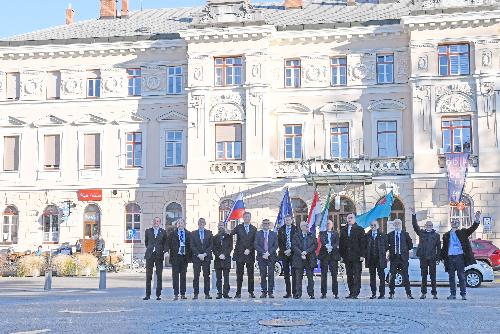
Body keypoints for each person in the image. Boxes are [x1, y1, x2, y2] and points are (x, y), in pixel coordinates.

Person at [441, 211, 481, 300]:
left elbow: (472, 228)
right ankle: (453, 294)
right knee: (451, 277)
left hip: (459, 257)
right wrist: (441, 258)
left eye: (456, 222)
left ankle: (463, 294)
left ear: (458, 224)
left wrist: (477, 219)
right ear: (451, 223)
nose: (454, 223)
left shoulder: (463, 232)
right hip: (450, 257)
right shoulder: (446, 235)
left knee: (461, 276)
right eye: (453, 222)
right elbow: (444, 248)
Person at [410, 208, 441, 299]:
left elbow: (438, 248)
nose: (429, 226)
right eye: (427, 225)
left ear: (432, 226)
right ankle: (423, 293)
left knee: (433, 276)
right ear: (425, 226)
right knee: (423, 276)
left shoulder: (436, 235)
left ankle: (434, 293)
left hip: (432, 258)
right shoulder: (421, 233)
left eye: (430, 225)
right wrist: (413, 215)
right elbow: (415, 226)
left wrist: (438, 258)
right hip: (423, 258)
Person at [229, 211, 257, 298]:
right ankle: (238, 292)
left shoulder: (254, 228)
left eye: (248, 217)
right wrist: (226, 230)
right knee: (239, 275)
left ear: (250, 218)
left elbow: (255, 241)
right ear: (243, 218)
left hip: (250, 254)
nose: (247, 218)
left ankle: (251, 292)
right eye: (245, 217)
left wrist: (250, 249)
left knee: (251, 275)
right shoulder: (239, 227)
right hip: (240, 254)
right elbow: (231, 233)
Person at [339, 213, 365, 299]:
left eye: (351, 218)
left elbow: (362, 244)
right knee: (349, 275)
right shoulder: (343, 230)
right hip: (347, 257)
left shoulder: (360, 229)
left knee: (357, 275)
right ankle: (351, 292)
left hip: (357, 257)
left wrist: (362, 255)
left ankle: (356, 293)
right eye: (348, 218)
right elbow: (341, 244)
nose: (350, 219)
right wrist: (341, 256)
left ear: (354, 219)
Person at [387, 219, 414, 299]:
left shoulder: (405, 234)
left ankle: (408, 294)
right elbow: (386, 245)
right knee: (392, 276)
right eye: (395, 223)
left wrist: (404, 252)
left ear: (401, 224)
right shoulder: (390, 235)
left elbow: (410, 245)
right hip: (394, 258)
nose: (397, 225)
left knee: (405, 276)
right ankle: (391, 293)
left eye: (398, 223)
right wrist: (390, 252)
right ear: (393, 225)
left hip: (403, 259)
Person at [143, 217, 168, 301]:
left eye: (157, 221)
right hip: (150, 255)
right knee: (148, 275)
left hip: (159, 255)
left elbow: (165, 243)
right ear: (152, 222)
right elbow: (146, 242)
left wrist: (165, 251)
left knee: (159, 275)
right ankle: (147, 295)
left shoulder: (163, 232)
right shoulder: (148, 231)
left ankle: (158, 295)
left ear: (159, 223)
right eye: (154, 221)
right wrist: (150, 249)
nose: (156, 222)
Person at [292, 221, 317, 299]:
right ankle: (298, 293)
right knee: (298, 278)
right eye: (303, 226)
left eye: (306, 225)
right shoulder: (296, 236)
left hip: (309, 259)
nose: (305, 227)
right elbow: (294, 246)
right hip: (299, 259)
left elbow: (314, 245)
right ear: (300, 227)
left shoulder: (312, 235)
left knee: (310, 278)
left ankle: (311, 293)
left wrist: (306, 252)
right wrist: (301, 253)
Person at [167, 218, 191, 300]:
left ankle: (183, 294)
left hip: (184, 257)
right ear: (177, 225)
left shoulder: (188, 234)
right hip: (175, 257)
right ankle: (176, 294)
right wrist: (166, 251)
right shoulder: (172, 234)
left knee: (183, 276)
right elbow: (167, 244)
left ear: (184, 224)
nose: (180, 224)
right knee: (175, 276)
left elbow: (190, 246)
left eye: (182, 223)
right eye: (179, 223)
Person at [254, 219, 278, 298]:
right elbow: (256, 244)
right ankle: (264, 292)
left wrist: (268, 253)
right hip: (261, 256)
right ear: (262, 225)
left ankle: (270, 292)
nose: (266, 225)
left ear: (269, 225)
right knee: (263, 274)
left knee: (271, 274)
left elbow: (275, 245)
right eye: (264, 224)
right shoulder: (258, 233)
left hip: (271, 256)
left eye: (267, 224)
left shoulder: (273, 234)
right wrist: (263, 253)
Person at [363, 221, 387, 299]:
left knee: (381, 277)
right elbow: (365, 246)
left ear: (377, 226)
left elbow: (386, 246)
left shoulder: (382, 235)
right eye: (371, 225)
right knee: (372, 278)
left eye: (374, 225)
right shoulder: (367, 235)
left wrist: (382, 253)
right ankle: (373, 294)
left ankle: (382, 294)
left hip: (380, 259)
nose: (373, 226)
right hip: (371, 259)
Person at [190, 218, 213, 300]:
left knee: (206, 276)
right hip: (197, 258)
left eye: (203, 222)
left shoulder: (209, 233)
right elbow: (192, 245)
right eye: (200, 222)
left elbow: (211, 245)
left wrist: (205, 254)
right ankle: (195, 294)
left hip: (206, 258)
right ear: (198, 223)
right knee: (196, 276)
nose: (201, 223)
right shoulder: (193, 233)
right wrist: (198, 254)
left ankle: (207, 294)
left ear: (205, 223)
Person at [318, 220, 341, 299]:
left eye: (329, 224)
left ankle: (335, 293)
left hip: (333, 256)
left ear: (332, 225)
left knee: (334, 275)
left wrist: (332, 247)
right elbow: (322, 241)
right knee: (323, 275)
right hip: (324, 256)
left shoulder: (335, 233)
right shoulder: (322, 233)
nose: (328, 225)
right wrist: (327, 246)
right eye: (327, 224)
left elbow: (337, 242)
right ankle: (323, 293)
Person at [277, 214, 297, 298]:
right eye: (286, 220)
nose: (287, 221)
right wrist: (285, 251)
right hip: (284, 254)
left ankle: (295, 292)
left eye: (289, 220)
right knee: (286, 274)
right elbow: (279, 242)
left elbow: (297, 241)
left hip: (293, 254)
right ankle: (288, 292)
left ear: (292, 220)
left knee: (294, 273)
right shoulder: (281, 229)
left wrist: (291, 250)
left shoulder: (296, 229)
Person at [213, 222, 233, 299]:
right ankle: (219, 293)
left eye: (222, 225)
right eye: (219, 226)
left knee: (226, 278)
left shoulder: (229, 236)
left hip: (226, 259)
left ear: (224, 227)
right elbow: (213, 248)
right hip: (218, 260)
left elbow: (230, 247)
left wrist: (224, 254)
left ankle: (226, 293)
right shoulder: (215, 237)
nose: (220, 227)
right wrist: (219, 255)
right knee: (218, 278)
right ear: (218, 227)